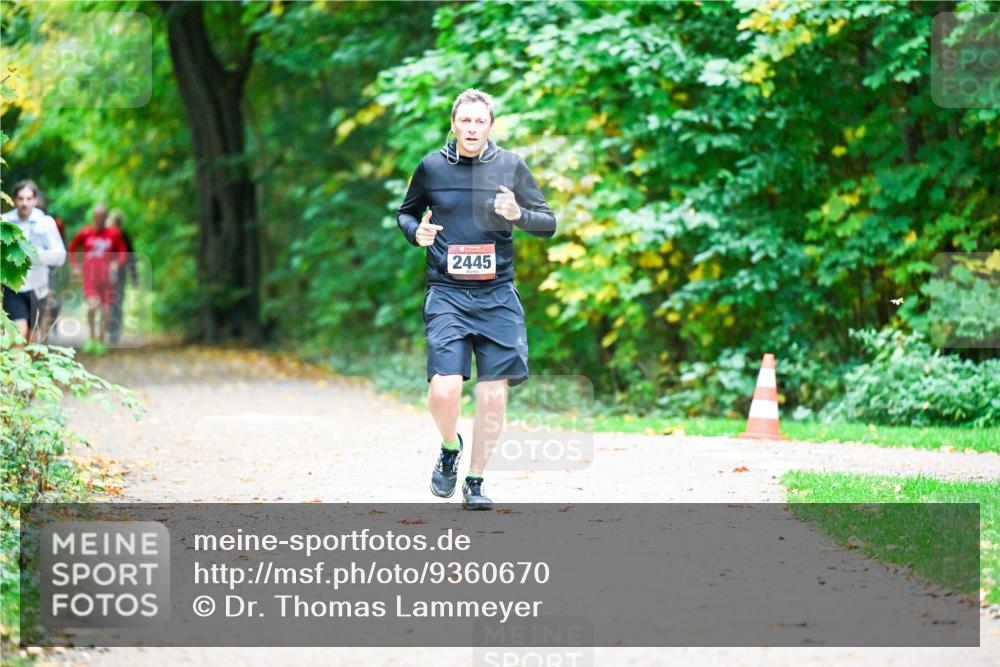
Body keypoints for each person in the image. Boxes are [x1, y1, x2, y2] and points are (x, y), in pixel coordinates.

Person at [396, 88, 557, 510]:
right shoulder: (431, 166)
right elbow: (406, 212)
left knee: (493, 393)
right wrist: (418, 233)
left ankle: (476, 479)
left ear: (490, 125)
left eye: (479, 121)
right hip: (447, 292)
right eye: (464, 121)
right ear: (454, 123)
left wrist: (517, 215)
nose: (471, 128)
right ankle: (450, 447)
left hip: (497, 295)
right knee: (445, 390)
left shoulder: (511, 166)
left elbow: (548, 223)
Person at [1, 180, 67, 342]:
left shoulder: (46, 223)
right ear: (14, 200)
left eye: (29, 198)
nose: (24, 203)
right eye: (21, 198)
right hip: (13, 286)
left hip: (39, 288)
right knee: (18, 334)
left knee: (33, 339)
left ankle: (28, 366)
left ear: (35, 200)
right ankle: (19, 366)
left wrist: (35, 255)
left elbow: (60, 256)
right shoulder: (5, 223)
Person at [67, 203, 127, 353]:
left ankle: (101, 340)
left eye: (102, 217)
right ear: (93, 217)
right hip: (90, 277)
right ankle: (92, 338)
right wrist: (75, 266)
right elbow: (73, 247)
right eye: (97, 216)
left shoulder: (113, 234)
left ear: (106, 217)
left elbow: (123, 251)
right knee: (93, 306)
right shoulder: (85, 232)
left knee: (106, 311)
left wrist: (116, 263)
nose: (99, 219)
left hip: (107, 278)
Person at [33, 192, 67, 343]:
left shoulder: (53, 222)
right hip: (31, 272)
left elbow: (60, 246)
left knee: (48, 303)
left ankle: (43, 345)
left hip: (50, 268)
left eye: (40, 206)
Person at [107, 210, 138, 345]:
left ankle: (114, 333)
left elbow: (131, 257)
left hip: (120, 276)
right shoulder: (105, 235)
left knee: (116, 304)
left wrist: (134, 276)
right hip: (104, 277)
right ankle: (108, 331)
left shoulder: (124, 236)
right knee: (108, 305)